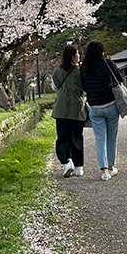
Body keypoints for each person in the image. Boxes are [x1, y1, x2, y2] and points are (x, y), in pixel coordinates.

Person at [79, 41, 123, 181]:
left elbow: (83, 86)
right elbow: (120, 79)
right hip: (110, 105)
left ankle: (104, 171)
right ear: (101, 51)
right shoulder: (107, 64)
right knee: (111, 138)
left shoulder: (84, 68)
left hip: (95, 108)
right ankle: (111, 167)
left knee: (100, 140)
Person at [51, 44, 86, 178]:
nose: (79, 56)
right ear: (73, 56)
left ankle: (67, 161)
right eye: (77, 54)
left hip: (61, 107)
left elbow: (55, 87)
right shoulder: (81, 71)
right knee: (76, 137)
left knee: (63, 137)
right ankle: (79, 167)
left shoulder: (57, 71)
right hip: (77, 108)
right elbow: (86, 86)